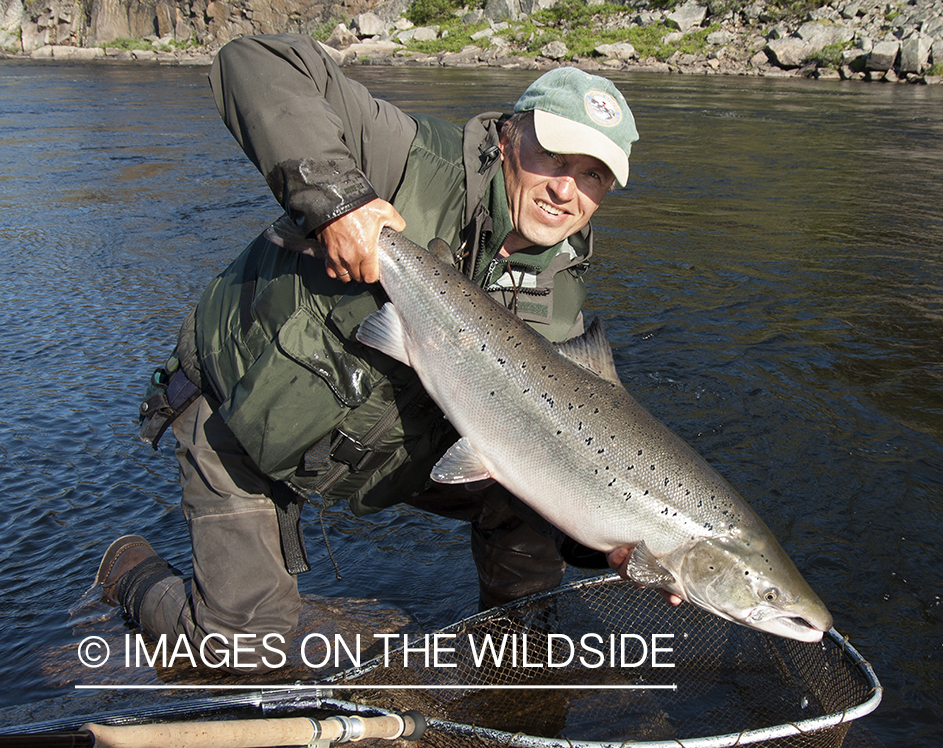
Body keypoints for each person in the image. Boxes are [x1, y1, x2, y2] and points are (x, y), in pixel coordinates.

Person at [96, 33, 642, 671]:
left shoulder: (558, 301)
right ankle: (127, 571)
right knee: (238, 652)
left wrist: (609, 542)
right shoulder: (407, 155)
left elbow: (558, 455)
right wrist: (338, 202)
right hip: (244, 415)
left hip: (374, 442)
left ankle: (515, 642)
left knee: (533, 492)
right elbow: (253, 61)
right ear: (509, 135)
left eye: (594, 176)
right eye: (555, 156)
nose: (566, 191)